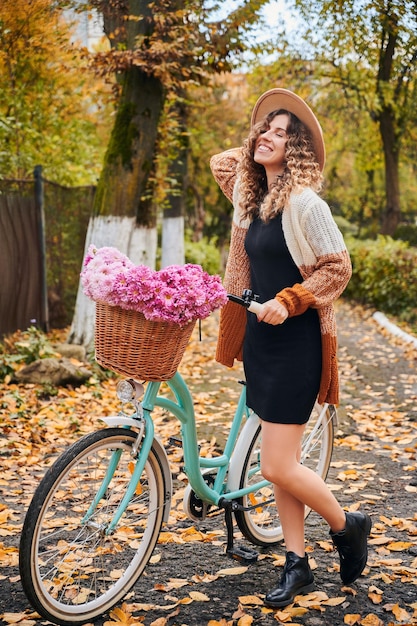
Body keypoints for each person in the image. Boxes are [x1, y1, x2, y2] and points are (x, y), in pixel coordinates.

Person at [210, 88, 371, 608]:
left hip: (296, 342)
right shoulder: (249, 198)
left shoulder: (305, 204)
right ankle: (297, 563)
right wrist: (261, 141)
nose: (266, 137)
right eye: (265, 130)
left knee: (277, 466)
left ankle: (350, 524)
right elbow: (222, 162)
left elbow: (337, 267)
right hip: (260, 338)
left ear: (297, 151)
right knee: (282, 462)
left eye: (282, 134)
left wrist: (291, 298)